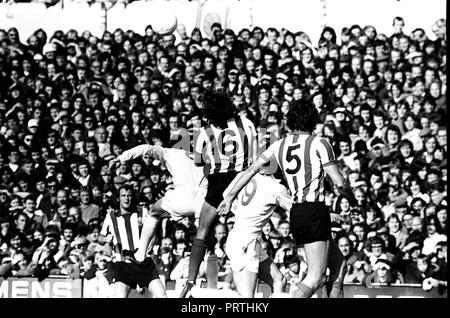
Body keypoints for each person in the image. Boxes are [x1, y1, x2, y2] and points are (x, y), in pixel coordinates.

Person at [218, 99, 357, 298]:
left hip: (297, 212)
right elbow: (340, 183)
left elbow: (251, 169)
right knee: (316, 276)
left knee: (339, 265)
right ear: (313, 121)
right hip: (313, 208)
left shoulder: (279, 145)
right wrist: (352, 201)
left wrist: (230, 198)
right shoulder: (319, 143)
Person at [180, 89, 257, 297]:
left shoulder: (204, 132)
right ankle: (254, 279)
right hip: (242, 179)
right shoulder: (246, 123)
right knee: (248, 229)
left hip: (218, 181)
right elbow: (256, 157)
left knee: (203, 229)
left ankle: (190, 279)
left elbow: (197, 161)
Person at [108, 144, 207, 263]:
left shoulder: (171, 153)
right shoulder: (205, 157)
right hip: (203, 201)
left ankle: (140, 255)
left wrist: (121, 158)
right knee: (204, 235)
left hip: (182, 199)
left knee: (153, 212)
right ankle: (205, 263)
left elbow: (145, 148)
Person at [222, 160, 292, 297]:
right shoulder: (277, 188)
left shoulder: (244, 175)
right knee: (248, 299)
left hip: (239, 236)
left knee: (279, 280)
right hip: (247, 243)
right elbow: (297, 211)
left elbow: (227, 197)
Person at [99, 184, 166, 298]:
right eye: (123, 195)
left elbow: (153, 234)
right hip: (123, 265)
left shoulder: (142, 212)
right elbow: (100, 238)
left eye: (129, 195)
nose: (127, 198)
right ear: (118, 198)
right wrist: (105, 239)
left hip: (144, 263)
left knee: (162, 295)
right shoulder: (111, 216)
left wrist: (150, 244)